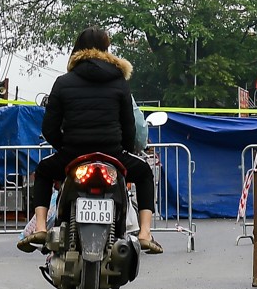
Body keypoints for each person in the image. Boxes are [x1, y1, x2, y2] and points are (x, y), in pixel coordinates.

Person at [20, 29, 161, 255]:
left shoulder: (63, 82)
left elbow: (49, 129)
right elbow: (129, 127)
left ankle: (40, 227)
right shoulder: (120, 82)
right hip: (112, 155)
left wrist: (64, 146)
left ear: (77, 50)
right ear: (106, 50)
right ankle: (144, 233)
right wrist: (122, 150)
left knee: (45, 171)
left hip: (73, 155)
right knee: (144, 172)